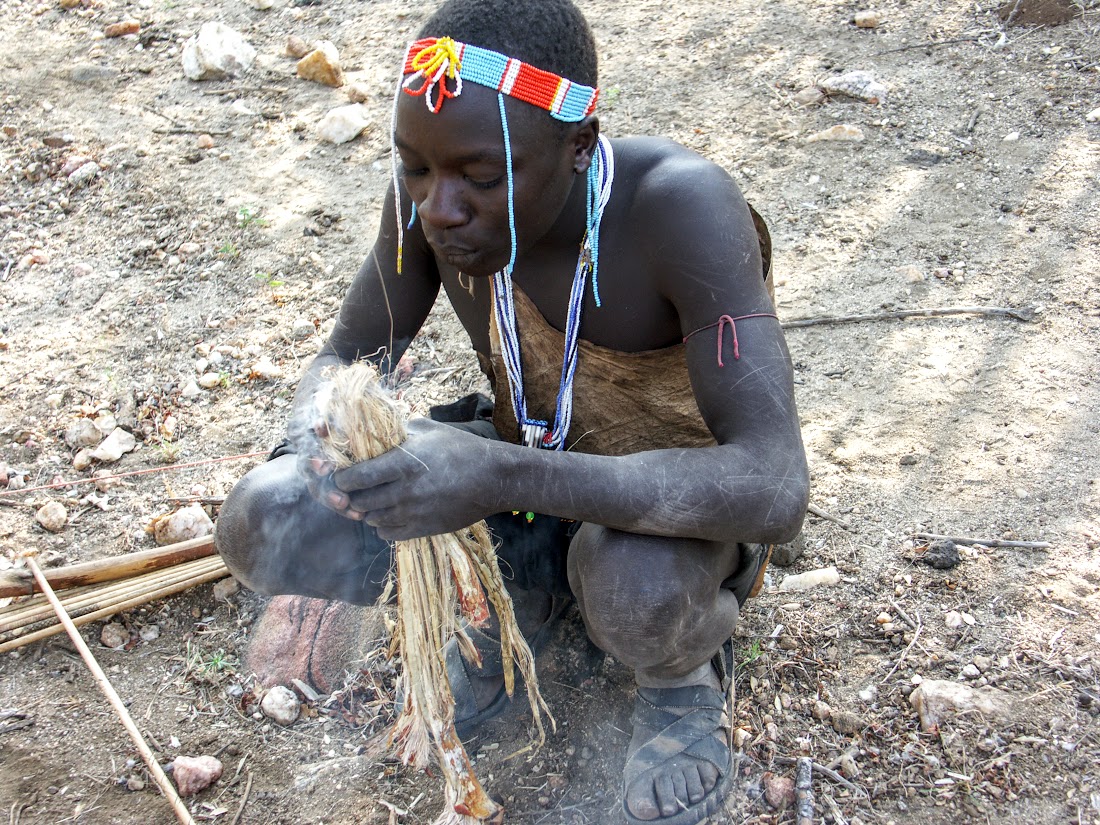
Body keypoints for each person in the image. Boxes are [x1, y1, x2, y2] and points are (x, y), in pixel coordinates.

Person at [215, 0, 809, 822]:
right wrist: (322, 437)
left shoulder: (680, 208)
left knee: (635, 588)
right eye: (415, 169)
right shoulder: (430, 199)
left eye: (482, 179)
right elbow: (346, 355)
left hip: (669, 523)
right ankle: (507, 603)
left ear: (578, 147)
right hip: (517, 473)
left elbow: (773, 485)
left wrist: (495, 473)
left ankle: (679, 681)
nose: (439, 207)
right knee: (263, 514)